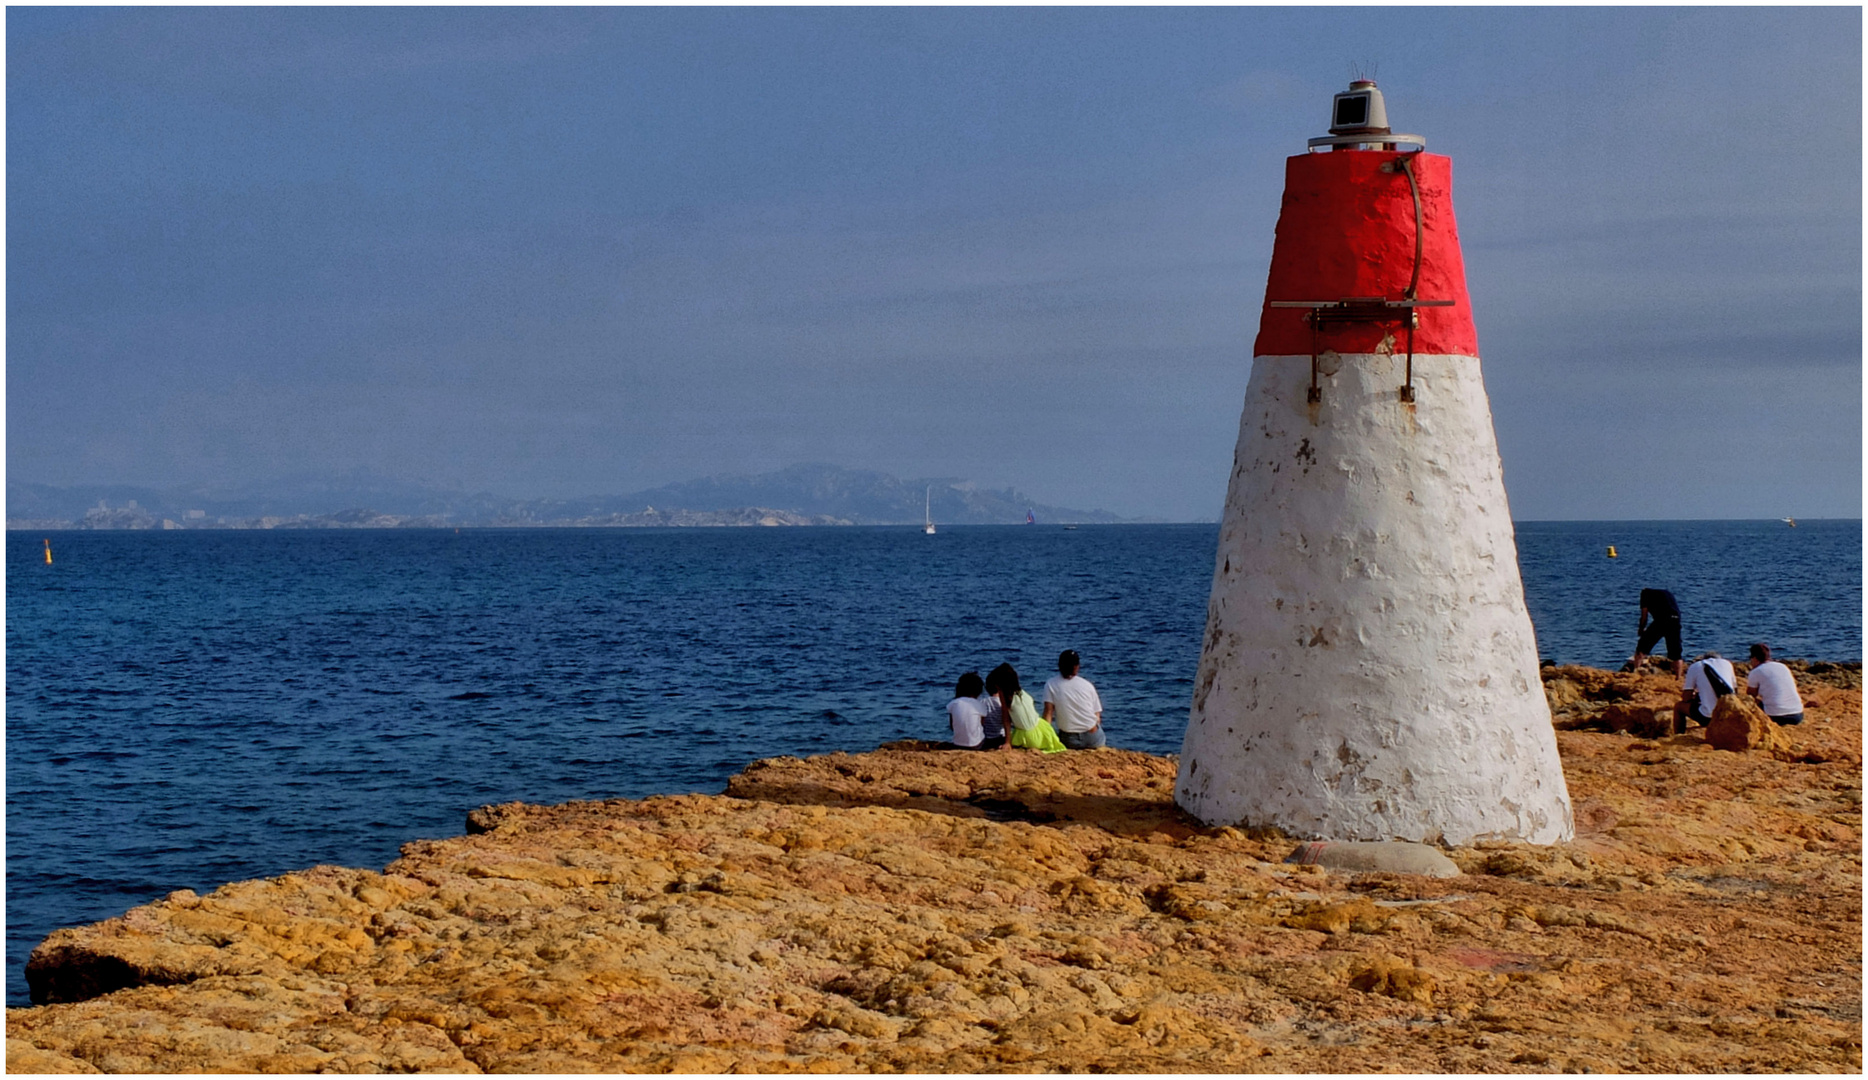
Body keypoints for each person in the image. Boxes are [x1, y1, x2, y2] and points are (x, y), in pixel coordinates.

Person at [988, 663, 1066, 753]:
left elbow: (1006, 719)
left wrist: (1007, 742)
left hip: (1030, 737)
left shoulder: (1005, 696)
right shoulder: (1021, 692)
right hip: (1044, 730)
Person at [1042, 649, 1105, 750]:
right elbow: (1097, 716)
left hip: (1070, 739)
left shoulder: (1051, 684)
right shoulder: (1087, 685)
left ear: (1059, 666)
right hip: (1092, 736)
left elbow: (1048, 714)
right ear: (1077, 667)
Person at [1674, 651, 1737, 734]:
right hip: (1728, 715)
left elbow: (1686, 698)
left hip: (1708, 717)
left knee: (1679, 707)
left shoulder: (1696, 666)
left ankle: (1679, 735)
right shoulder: (1728, 664)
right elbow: (1735, 691)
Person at [1744, 643, 1805, 725]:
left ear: (1754, 658)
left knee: (1749, 702)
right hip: (1798, 714)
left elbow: (1750, 695)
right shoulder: (1783, 667)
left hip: (1776, 716)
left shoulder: (1756, 672)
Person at [944, 671, 1002, 750]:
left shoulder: (953, 703)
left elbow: (952, 726)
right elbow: (981, 724)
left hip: (957, 744)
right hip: (977, 745)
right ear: (978, 691)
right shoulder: (979, 704)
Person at [1634, 587, 1685, 677]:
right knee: (1676, 654)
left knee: (1642, 647)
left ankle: (1636, 673)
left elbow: (1644, 616)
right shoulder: (1666, 593)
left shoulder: (1645, 594)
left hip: (1662, 620)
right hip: (1675, 620)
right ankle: (1678, 677)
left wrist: (1641, 629)